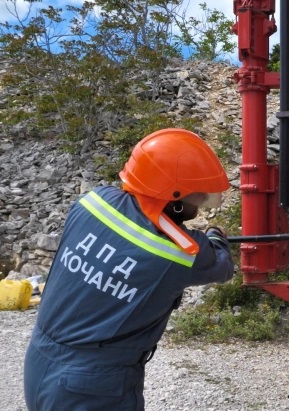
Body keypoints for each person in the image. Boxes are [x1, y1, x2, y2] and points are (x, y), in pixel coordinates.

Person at [24, 128, 235, 410]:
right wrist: (215, 235)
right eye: (195, 198)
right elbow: (222, 265)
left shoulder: (90, 203)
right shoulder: (178, 253)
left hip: (39, 361)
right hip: (92, 384)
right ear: (172, 200)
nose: (197, 205)